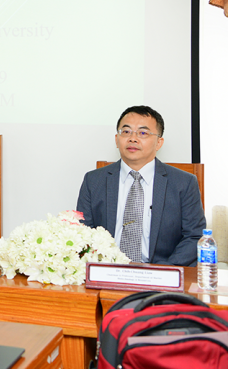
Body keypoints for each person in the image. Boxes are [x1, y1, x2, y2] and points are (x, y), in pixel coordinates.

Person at [76, 105, 205, 266]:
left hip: (161, 271)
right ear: (117, 139)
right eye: (126, 131)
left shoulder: (184, 183)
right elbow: (83, 232)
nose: (133, 138)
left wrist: (164, 270)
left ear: (159, 142)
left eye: (143, 133)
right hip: (108, 269)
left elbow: (194, 236)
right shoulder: (94, 180)